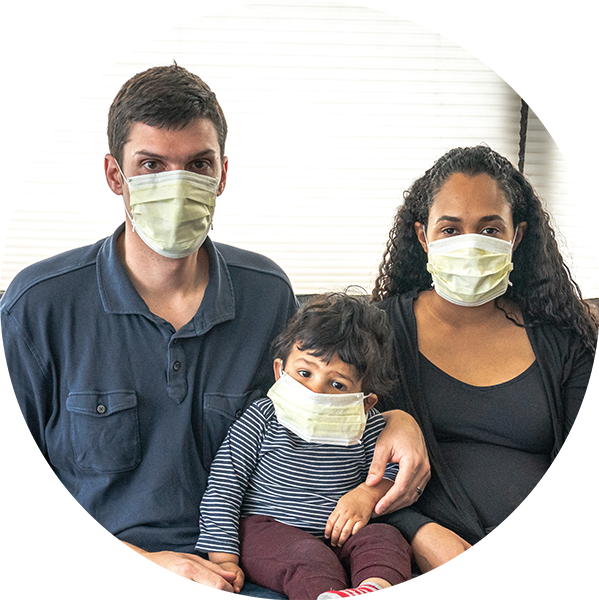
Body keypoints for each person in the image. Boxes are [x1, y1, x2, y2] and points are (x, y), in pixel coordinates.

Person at [0, 63, 430, 594]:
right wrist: (141, 569)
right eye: (152, 165)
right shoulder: (40, 305)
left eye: (197, 165)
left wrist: (396, 421)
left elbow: (316, 408)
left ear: (222, 174)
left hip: (253, 564)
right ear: (116, 175)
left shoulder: (267, 292)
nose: (176, 187)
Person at [371, 145, 598, 587]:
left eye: (490, 229)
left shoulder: (562, 339)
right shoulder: (376, 332)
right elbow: (324, 463)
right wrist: (419, 533)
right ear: (423, 237)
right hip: (413, 561)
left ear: (516, 236)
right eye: (451, 229)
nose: (470, 245)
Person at [196, 293, 414, 599]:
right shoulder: (261, 418)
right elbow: (223, 488)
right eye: (304, 373)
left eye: (337, 384)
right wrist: (223, 560)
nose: (314, 389)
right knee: (309, 558)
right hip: (266, 531)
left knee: (385, 538)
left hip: (339, 536)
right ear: (279, 372)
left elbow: (398, 473)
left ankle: (374, 590)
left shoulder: (367, 427)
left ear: (365, 404)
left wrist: (367, 494)